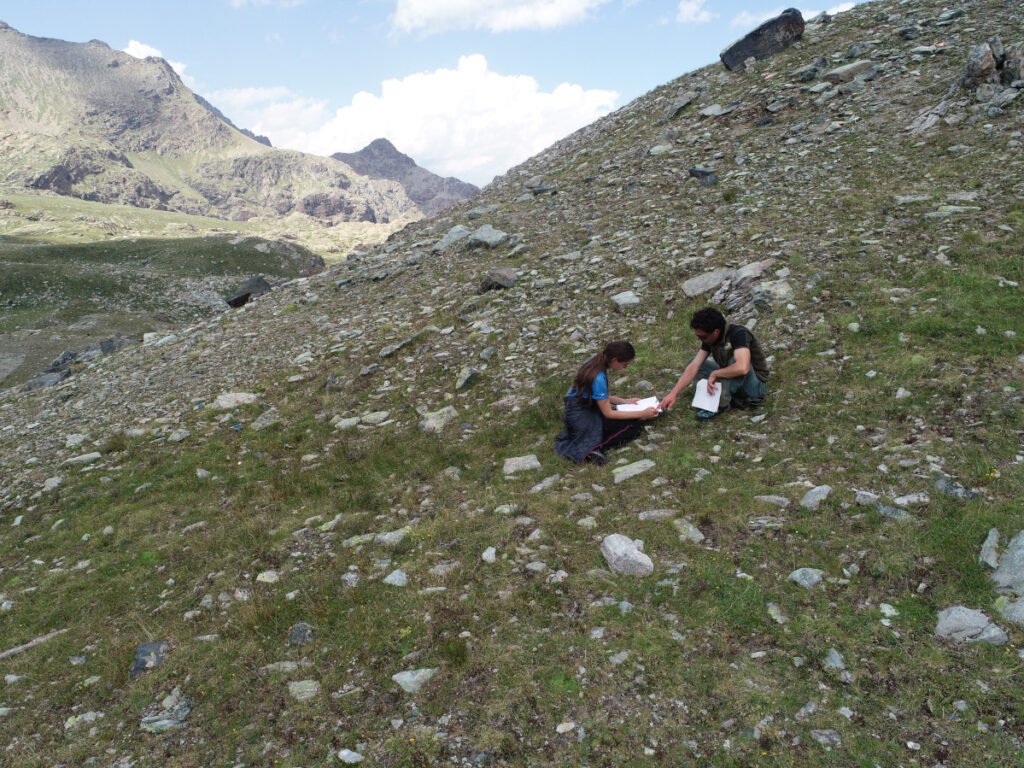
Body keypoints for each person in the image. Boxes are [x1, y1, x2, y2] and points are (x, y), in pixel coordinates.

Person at [554, 341, 659, 465]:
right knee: (632, 427)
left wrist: (625, 401)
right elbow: (608, 413)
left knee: (622, 421)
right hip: (582, 415)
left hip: (577, 410)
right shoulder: (598, 378)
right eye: (624, 364)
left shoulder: (594, 360)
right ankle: (593, 449)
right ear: (614, 360)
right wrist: (642, 413)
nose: (625, 367)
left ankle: (581, 437)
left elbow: (600, 395)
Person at [659, 307, 769, 420]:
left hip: (754, 387)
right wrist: (673, 394)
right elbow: (694, 366)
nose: (700, 340)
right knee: (693, 362)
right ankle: (709, 398)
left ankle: (719, 405)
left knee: (734, 363)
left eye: (702, 337)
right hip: (733, 381)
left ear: (716, 332)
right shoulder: (710, 339)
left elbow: (742, 368)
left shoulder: (738, 333)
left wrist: (716, 373)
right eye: (698, 336)